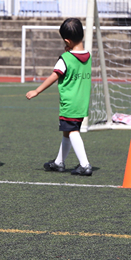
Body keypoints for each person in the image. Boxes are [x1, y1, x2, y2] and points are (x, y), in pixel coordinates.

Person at [25, 17, 93, 176]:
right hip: (82, 102)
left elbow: (54, 76)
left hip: (70, 103)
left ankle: (85, 164)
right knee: (67, 131)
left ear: (66, 40)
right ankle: (59, 162)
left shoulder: (66, 59)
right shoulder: (88, 56)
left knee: (73, 131)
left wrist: (37, 91)